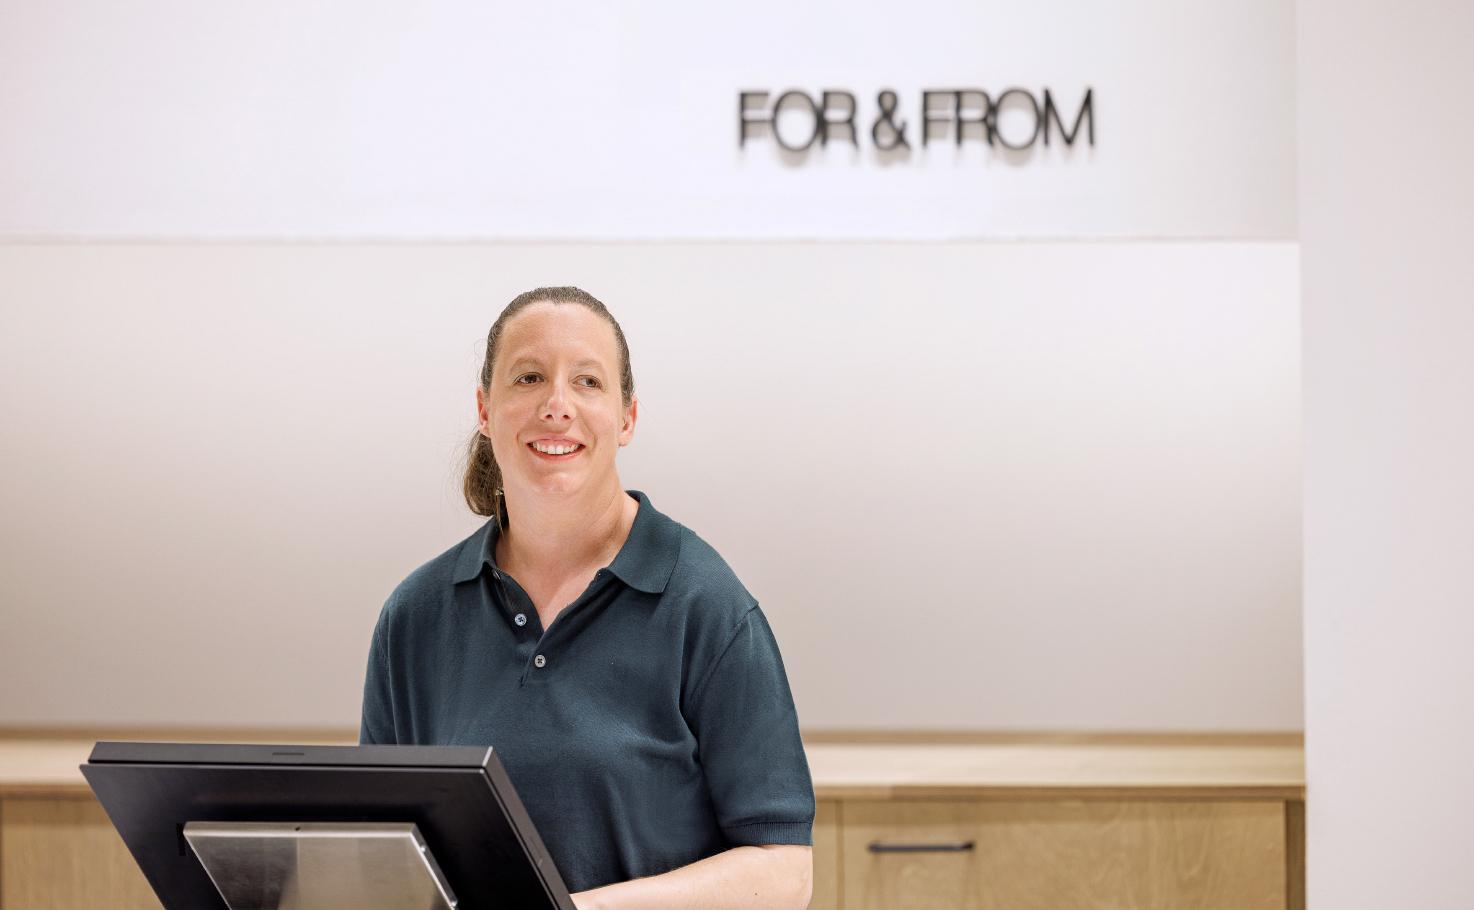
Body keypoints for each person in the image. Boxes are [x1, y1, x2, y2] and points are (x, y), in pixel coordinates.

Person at [359, 287, 815, 909]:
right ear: (485, 409)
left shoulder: (706, 605)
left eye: (587, 382)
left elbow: (784, 872)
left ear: (627, 418)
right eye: (528, 378)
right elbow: (384, 857)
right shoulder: (414, 617)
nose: (557, 406)